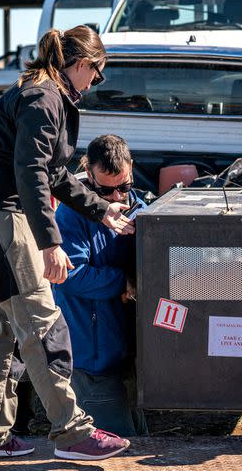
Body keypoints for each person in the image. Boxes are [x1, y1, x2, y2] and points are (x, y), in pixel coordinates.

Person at [0, 25, 134, 462]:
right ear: (84, 64)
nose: (94, 84)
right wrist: (51, 244)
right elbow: (31, 173)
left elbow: (54, 174)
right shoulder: (45, 97)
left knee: (0, 328)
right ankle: (72, 433)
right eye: (97, 74)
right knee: (43, 323)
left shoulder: (37, 90)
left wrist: (100, 209)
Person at [53, 134, 149, 437]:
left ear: (131, 168)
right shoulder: (71, 213)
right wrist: (124, 281)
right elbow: (70, 275)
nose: (117, 197)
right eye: (106, 190)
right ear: (88, 171)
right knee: (117, 443)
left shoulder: (136, 204)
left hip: (122, 348)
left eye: (123, 186)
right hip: (92, 355)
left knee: (137, 435)